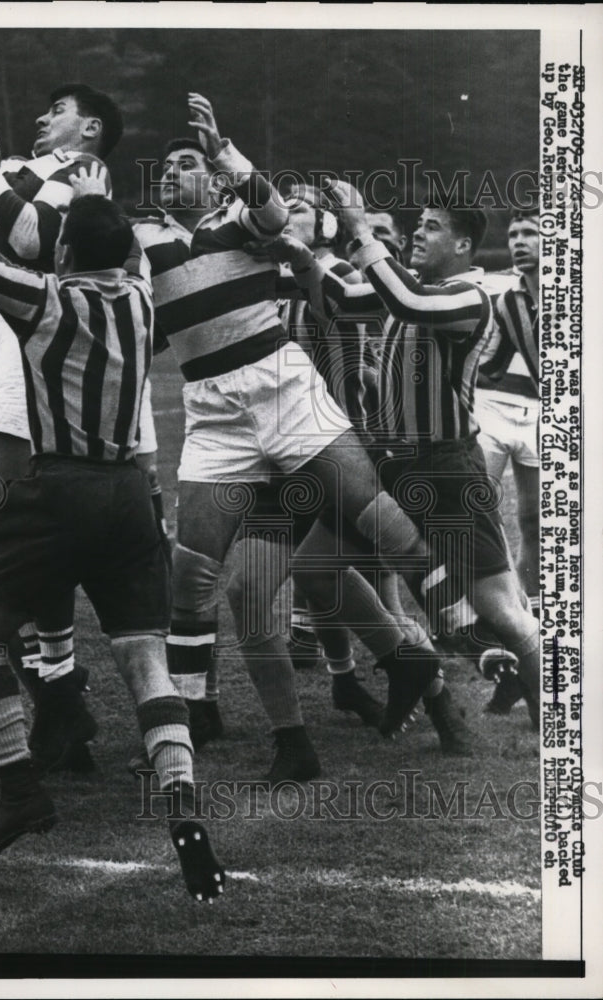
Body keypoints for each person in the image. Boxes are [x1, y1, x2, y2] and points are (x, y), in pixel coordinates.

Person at [0, 95, 224, 902]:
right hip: (129, 495)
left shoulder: (45, 299)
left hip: (54, 490)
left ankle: (21, 789)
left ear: (60, 253)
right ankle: (182, 801)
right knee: (143, 659)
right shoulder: (138, 300)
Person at [134, 95, 444, 780]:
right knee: (200, 580)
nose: (169, 172)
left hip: (284, 394)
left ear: (212, 183)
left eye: (186, 164)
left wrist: (226, 153)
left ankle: (471, 647)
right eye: (167, 165)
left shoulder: (241, 224)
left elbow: (272, 213)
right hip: (214, 417)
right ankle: (248, 735)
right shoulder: (144, 242)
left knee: (385, 536)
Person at [0, 84, 125, 770]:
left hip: (18, 334)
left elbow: (33, 241)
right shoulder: (5, 171)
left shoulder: (81, 179)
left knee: (18, 539)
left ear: (89, 128)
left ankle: (61, 701)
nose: (40, 115)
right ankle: (62, 708)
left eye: (58, 108)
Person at [286, 179, 540, 730]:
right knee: (311, 565)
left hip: (445, 469)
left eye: (431, 227)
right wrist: (299, 255)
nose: (418, 234)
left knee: (504, 612)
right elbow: (343, 301)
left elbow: (408, 302)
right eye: (419, 225)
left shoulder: (466, 295)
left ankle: (556, 717)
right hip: (389, 467)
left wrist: (356, 224)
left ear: (465, 246)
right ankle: (408, 662)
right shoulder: (411, 285)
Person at [475, 207, 540, 712]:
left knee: (537, 524)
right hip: (498, 411)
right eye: (514, 233)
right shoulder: (510, 298)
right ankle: (515, 636)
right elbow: (489, 363)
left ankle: (531, 636)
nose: (519, 241)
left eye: (530, 233)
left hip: (554, 414)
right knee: (486, 515)